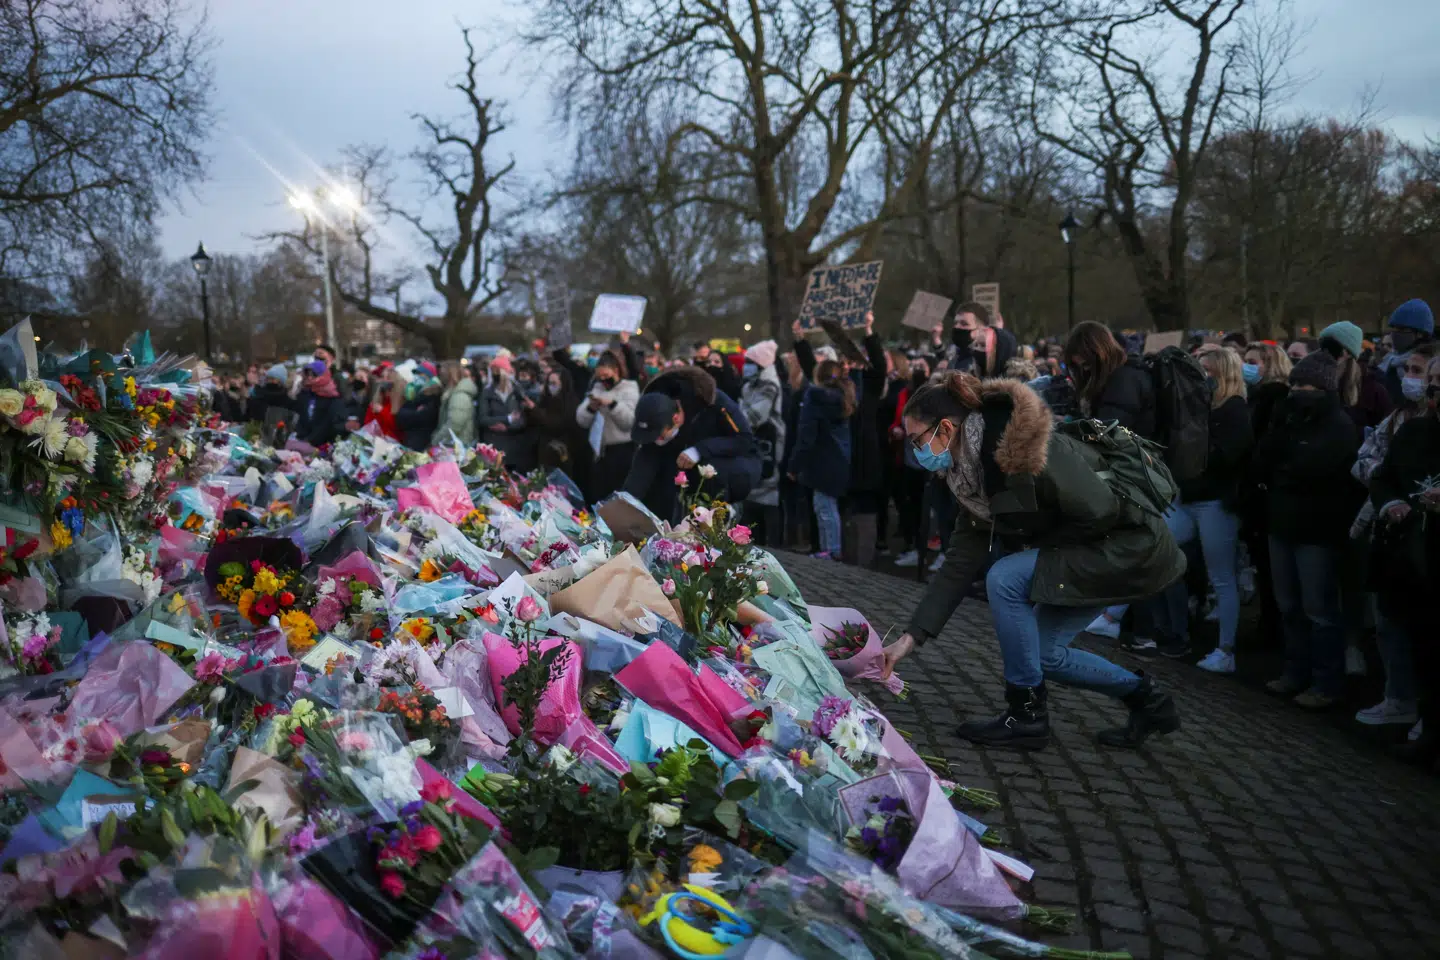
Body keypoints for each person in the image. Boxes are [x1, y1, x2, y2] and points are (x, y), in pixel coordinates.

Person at [879, 373, 1185, 750]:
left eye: (916, 440)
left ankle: (1026, 716)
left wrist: (1042, 554)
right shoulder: (970, 476)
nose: (915, 450)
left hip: (1128, 546)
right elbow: (959, 562)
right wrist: (909, 640)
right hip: (1103, 547)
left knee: (1005, 578)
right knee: (1043, 655)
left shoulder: (1023, 449)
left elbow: (1100, 510)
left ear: (945, 428)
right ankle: (1148, 699)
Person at [1252, 351, 1363, 709]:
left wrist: (1284, 466)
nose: (1297, 390)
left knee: (1319, 610)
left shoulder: (1340, 426)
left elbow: (1312, 468)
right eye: (1295, 383)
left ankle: (1326, 682)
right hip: (1282, 523)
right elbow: (1264, 460)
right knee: (1290, 607)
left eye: (1306, 384)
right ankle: (1295, 671)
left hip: (1317, 530)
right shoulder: (1287, 418)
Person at [1350, 344, 1438, 728]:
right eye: (1430, 380)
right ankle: (1401, 699)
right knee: (1394, 622)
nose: (1431, 388)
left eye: (1437, 380)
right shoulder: (1414, 428)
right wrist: (1391, 504)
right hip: (1404, 544)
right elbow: (1383, 474)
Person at [1154, 347, 1254, 674]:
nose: (1202, 378)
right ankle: (1117, 617)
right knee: (1158, 548)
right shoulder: (1200, 408)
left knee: (1222, 577)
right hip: (1187, 498)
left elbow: (1226, 459)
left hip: (1214, 502)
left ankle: (1226, 650)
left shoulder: (1235, 410)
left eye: (1208, 372)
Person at [1066, 321, 1159, 643]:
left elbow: (1108, 432)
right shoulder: (1122, 377)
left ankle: (1141, 629)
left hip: (1134, 476)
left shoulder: (1123, 380)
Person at [625, 366, 760, 523]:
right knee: (658, 487)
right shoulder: (654, 407)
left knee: (707, 470)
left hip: (729, 464)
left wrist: (700, 450)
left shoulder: (714, 402)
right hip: (682, 464)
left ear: (676, 418)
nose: (657, 440)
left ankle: (723, 515)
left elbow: (744, 439)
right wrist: (625, 501)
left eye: (660, 435)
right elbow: (644, 464)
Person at [788, 359, 854, 560]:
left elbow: (806, 435)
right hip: (839, 459)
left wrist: (794, 465)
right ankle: (829, 548)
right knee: (827, 506)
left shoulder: (815, 398)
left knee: (824, 507)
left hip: (821, 460)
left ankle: (831, 550)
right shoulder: (844, 396)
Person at [576, 351, 639, 502]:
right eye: (600, 377)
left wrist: (612, 404)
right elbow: (581, 420)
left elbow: (629, 422)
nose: (603, 380)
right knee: (599, 495)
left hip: (622, 450)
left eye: (606, 375)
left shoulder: (629, 389)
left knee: (618, 496)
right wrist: (591, 408)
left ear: (616, 371)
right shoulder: (597, 388)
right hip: (600, 451)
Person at [740, 340, 785, 546]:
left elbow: (753, 417)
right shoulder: (749, 385)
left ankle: (774, 545)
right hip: (752, 446)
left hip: (769, 445)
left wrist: (740, 414)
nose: (745, 366)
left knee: (768, 493)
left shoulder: (770, 386)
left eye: (750, 362)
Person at [1319, 321, 1391, 430]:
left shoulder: (1374, 392)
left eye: (1332, 348)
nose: (1325, 354)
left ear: (1349, 353)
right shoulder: (1314, 385)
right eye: (1322, 348)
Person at [530, 366, 589, 483]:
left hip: (563, 454)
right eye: (549, 383)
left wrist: (535, 410)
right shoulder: (545, 400)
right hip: (545, 453)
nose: (551, 387)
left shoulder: (571, 402)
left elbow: (557, 424)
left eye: (554, 383)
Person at [478, 355, 534, 471]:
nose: (495, 374)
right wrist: (506, 419)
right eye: (493, 371)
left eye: (497, 370)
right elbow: (483, 418)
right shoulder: (487, 392)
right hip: (494, 446)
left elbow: (522, 419)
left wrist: (508, 428)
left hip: (514, 447)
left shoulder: (517, 391)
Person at [1379, 298, 1435, 405]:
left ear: (1420, 333)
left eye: (1401, 329)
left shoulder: (1434, 367)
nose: (1395, 334)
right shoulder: (1389, 365)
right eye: (1393, 329)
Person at [947, 302, 1017, 376]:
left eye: (964, 324)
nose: (957, 327)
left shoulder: (976, 366)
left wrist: (999, 337)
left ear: (981, 329)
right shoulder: (953, 359)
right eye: (955, 323)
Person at [295, 360, 347, 447]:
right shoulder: (304, 394)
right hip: (302, 444)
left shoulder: (332, 397)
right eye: (308, 374)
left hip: (324, 447)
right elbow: (301, 419)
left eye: (314, 374)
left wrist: (311, 440)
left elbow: (332, 425)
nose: (310, 378)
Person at [394, 363, 442, 451]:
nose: (417, 376)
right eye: (415, 373)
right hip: (412, 439)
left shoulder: (433, 394)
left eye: (420, 374)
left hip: (421, 442)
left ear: (428, 376)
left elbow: (423, 417)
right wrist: (414, 413)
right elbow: (399, 417)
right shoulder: (416, 392)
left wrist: (411, 414)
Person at [432, 361, 478, 446]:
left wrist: (435, 441)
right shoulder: (453, 394)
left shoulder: (459, 396)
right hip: (452, 445)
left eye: (442, 374)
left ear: (450, 375)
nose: (440, 378)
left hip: (456, 447)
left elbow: (454, 426)